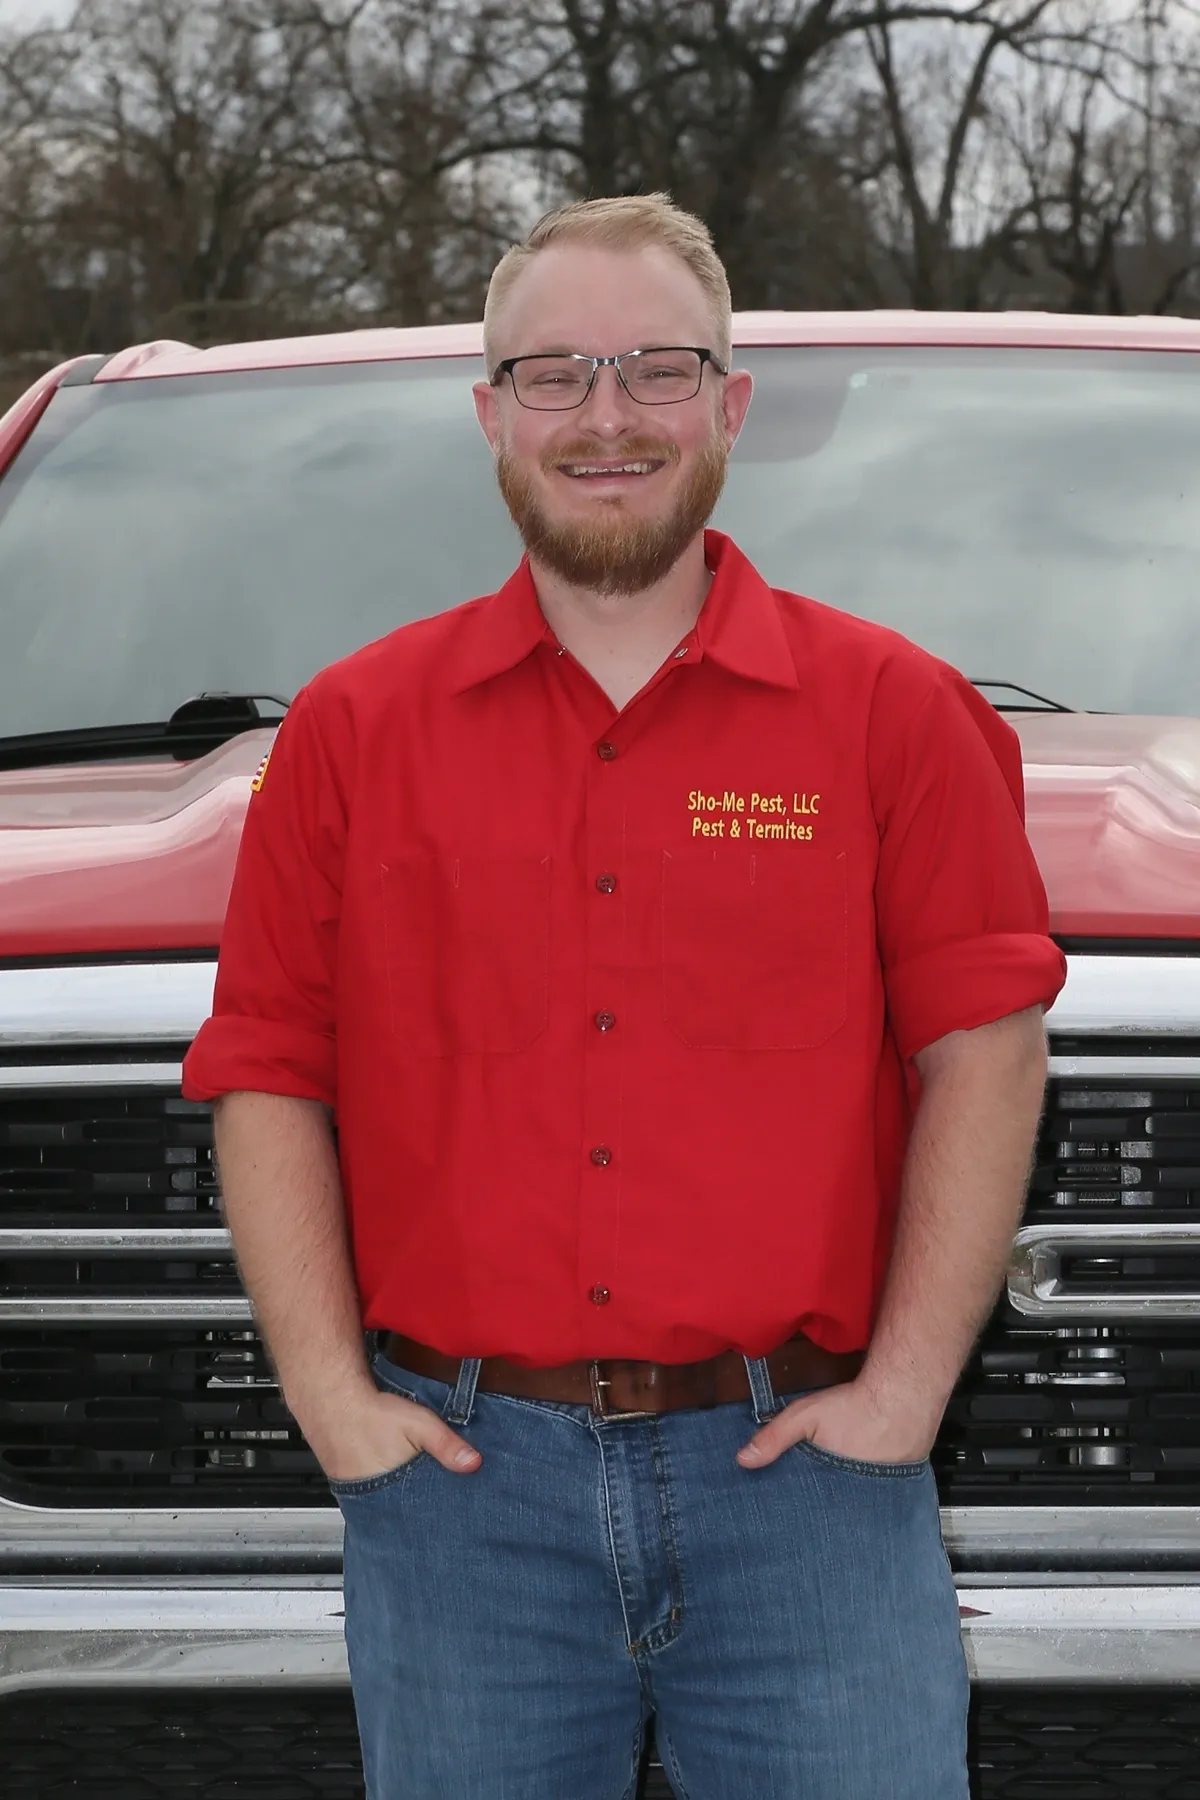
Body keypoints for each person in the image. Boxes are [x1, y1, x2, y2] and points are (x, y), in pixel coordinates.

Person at [183, 193, 1066, 1800]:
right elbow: (270, 1073)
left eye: (658, 369)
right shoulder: (350, 734)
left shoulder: (897, 717)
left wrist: (908, 1394)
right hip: (459, 1501)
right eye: (554, 376)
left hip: (804, 1490)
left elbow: (987, 1053)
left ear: (730, 403)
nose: (607, 419)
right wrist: (330, 1403)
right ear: (489, 416)